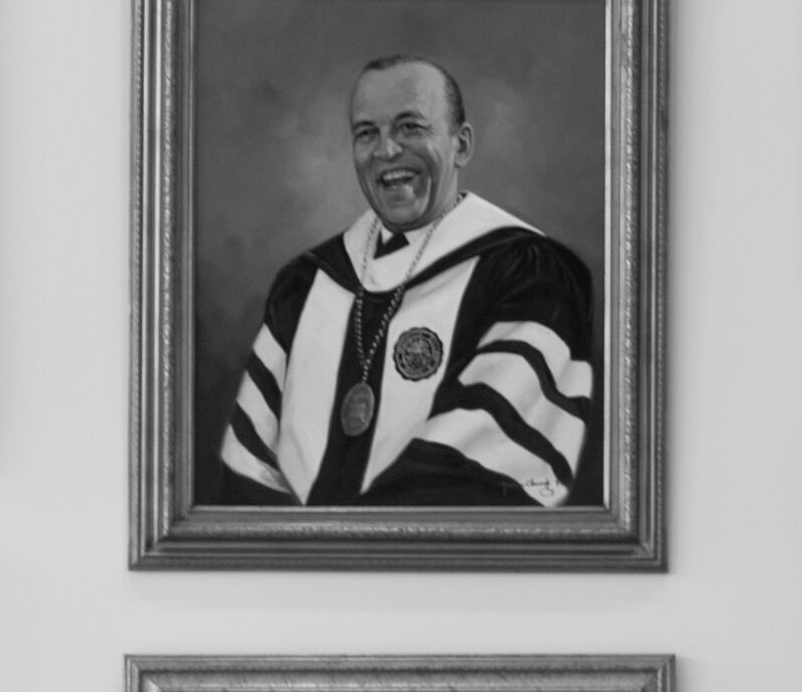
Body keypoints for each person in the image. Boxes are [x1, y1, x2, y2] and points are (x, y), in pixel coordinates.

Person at [212, 53, 597, 509]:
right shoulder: (306, 282)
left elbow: (488, 473)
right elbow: (247, 466)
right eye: (366, 133)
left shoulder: (530, 276)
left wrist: (344, 554)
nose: (386, 150)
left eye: (410, 127)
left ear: (462, 144)